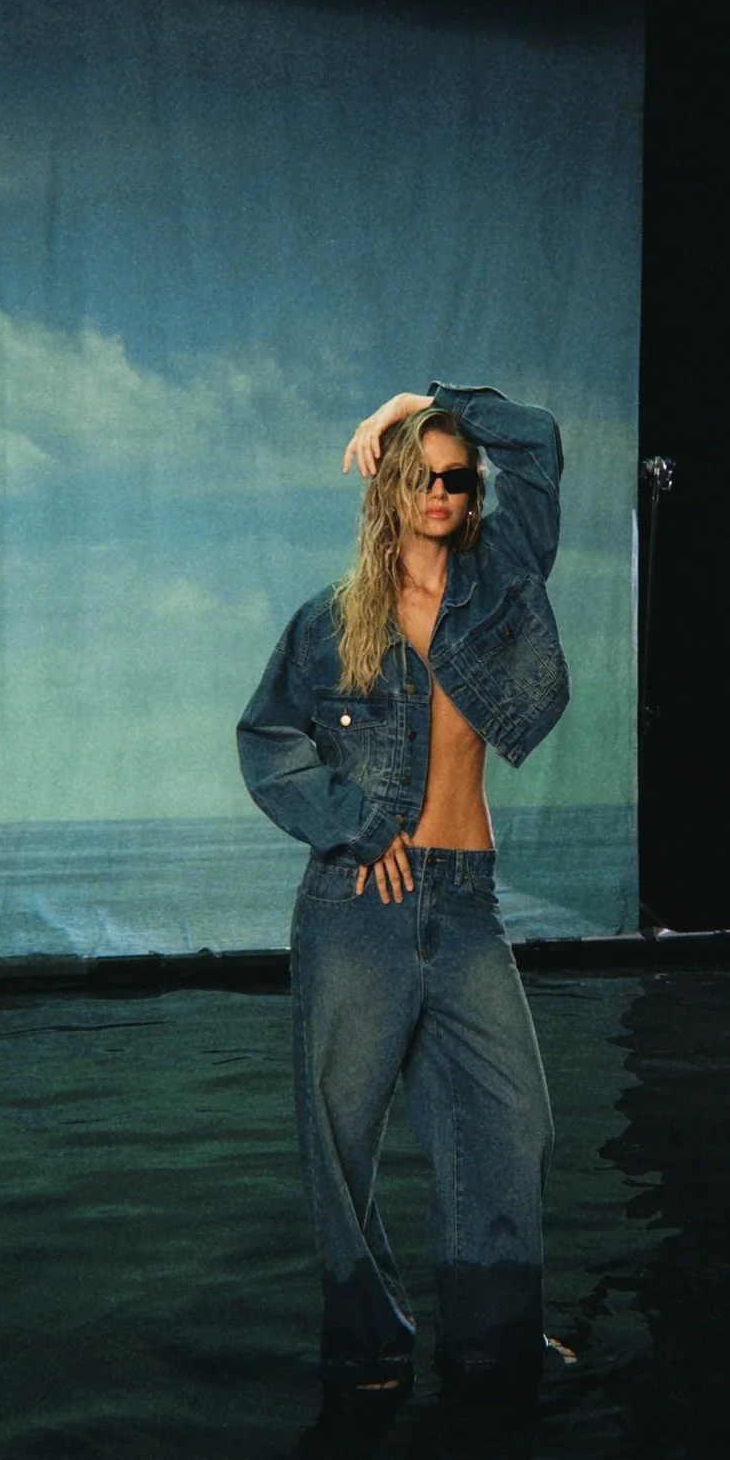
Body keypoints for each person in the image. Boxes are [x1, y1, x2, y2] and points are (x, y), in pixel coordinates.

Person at [237, 385, 569, 1397]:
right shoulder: (331, 623)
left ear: (474, 494)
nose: (439, 492)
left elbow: (540, 444)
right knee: (341, 1143)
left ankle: (493, 1337)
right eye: (419, 474)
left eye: (457, 478)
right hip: (357, 906)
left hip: (467, 905)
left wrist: (425, 401)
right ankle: (371, 1349)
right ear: (388, 489)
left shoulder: (503, 583)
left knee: (513, 1121)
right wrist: (357, 824)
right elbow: (268, 740)